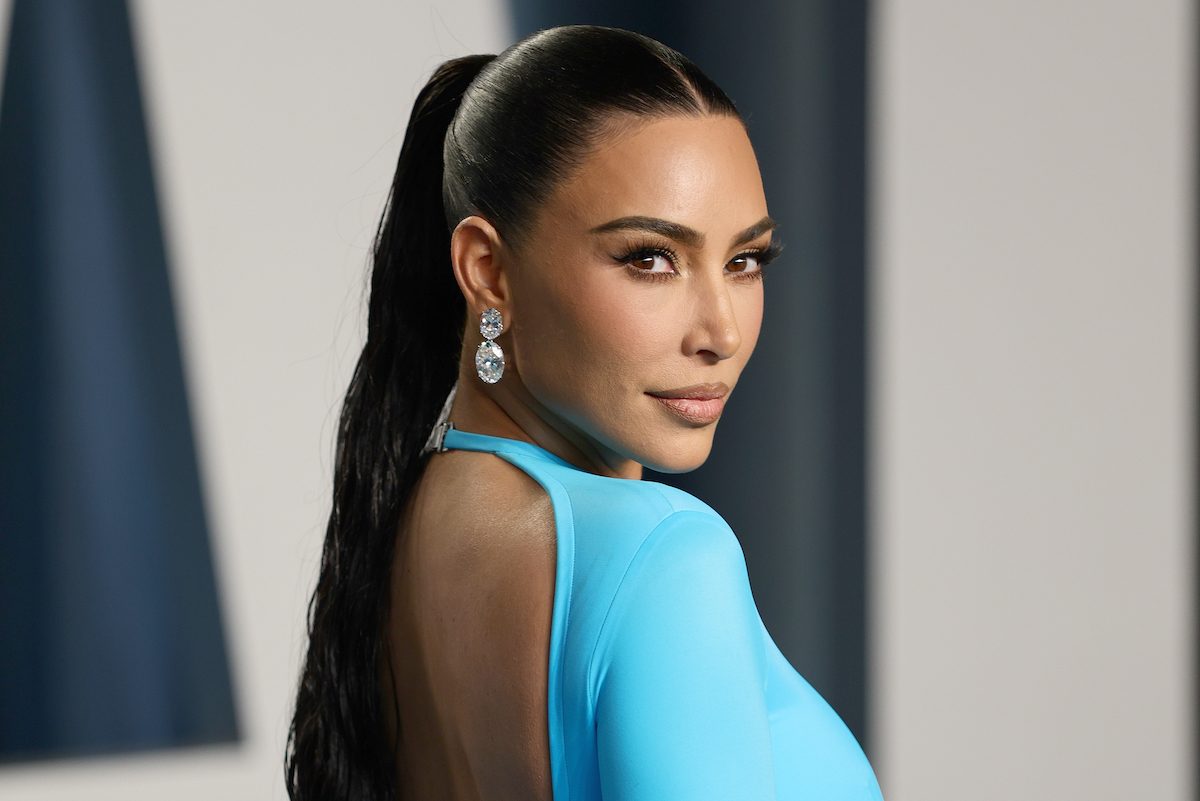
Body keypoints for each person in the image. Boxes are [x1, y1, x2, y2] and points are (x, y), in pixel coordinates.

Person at [285, 23, 885, 801]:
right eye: (651, 258)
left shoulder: (403, 521)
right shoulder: (665, 554)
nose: (722, 332)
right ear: (488, 270)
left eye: (745, 261)